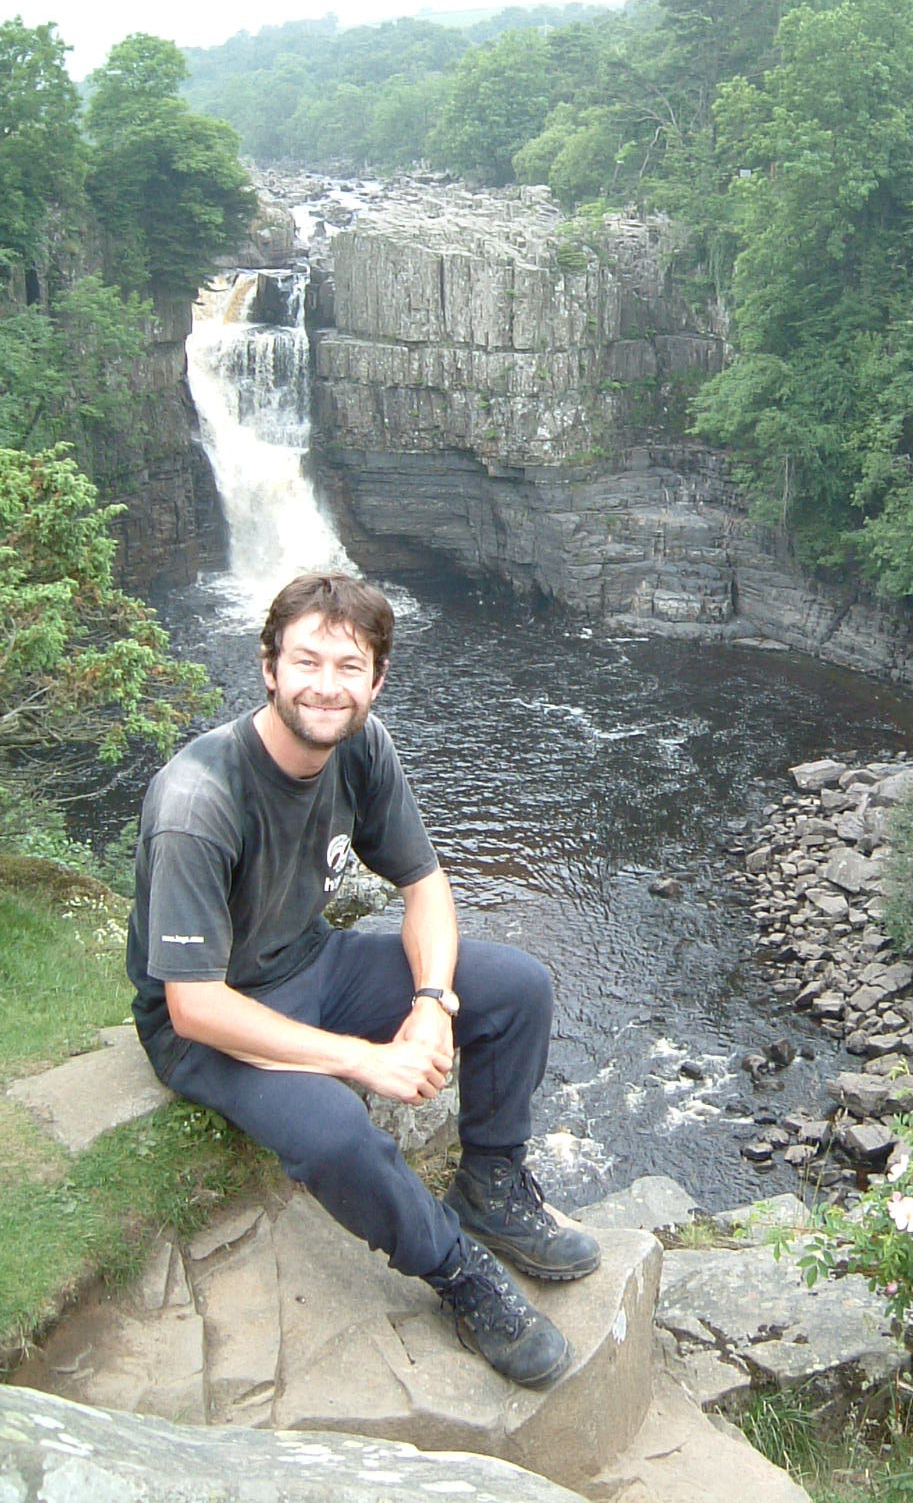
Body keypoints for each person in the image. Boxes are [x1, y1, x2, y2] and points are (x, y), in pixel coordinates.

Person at [126, 571, 599, 1389]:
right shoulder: (197, 801)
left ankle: (491, 1186)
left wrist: (431, 1003)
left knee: (517, 985)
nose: (326, 687)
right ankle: (457, 1272)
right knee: (337, 1129)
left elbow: (426, 886)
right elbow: (193, 1005)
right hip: (209, 1019)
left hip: (310, 960)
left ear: (376, 683)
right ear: (268, 668)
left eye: (349, 668)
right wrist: (360, 1058)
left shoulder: (361, 747)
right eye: (306, 662)